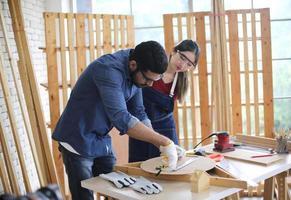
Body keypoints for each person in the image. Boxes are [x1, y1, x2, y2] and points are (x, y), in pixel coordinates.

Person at [52, 41, 184, 200]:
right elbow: (121, 118)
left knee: (117, 187)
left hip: (100, 138)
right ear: (133, 65)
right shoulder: (108, 70)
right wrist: (163, 141)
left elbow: (139, 112)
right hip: (77, 137)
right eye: (148, 79)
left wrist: (164, 145)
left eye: (153, 81)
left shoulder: (137, 69)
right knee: (84, 194)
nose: (149, 84)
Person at [129, 39, 200, 162]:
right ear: (174, 51)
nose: (182, 65)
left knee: (169, 164)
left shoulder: (181, 81)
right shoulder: (152, 67)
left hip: (166, 127)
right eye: (182, 58)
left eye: (189, 64)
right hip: (142, 125)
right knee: (140, 165)